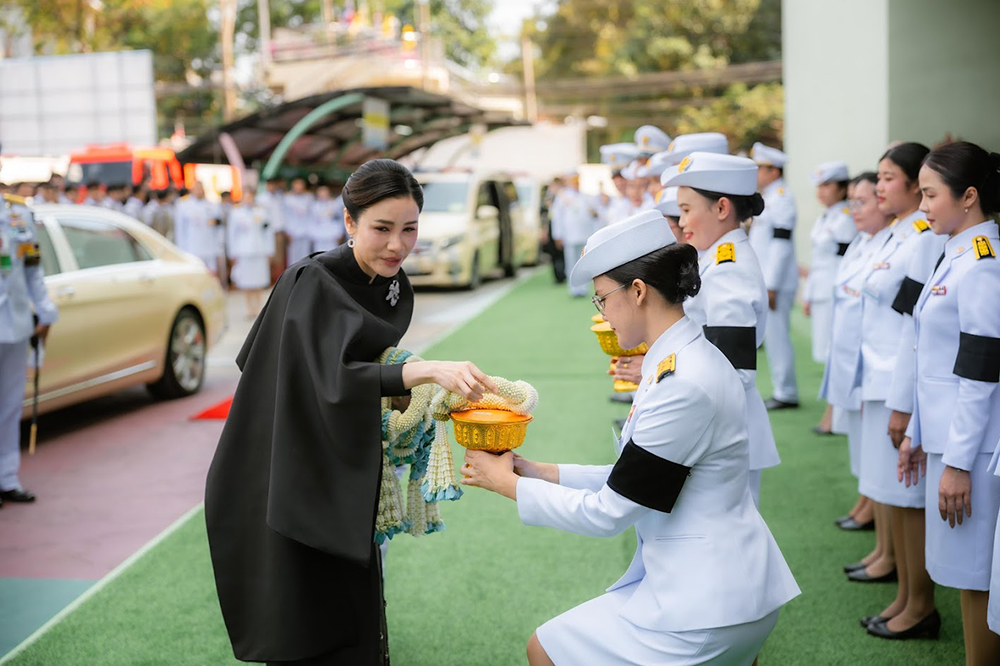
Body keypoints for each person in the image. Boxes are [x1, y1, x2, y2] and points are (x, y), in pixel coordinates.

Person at [461, 209, 800, 666]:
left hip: (707, 606)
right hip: (716, 586)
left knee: (544, 648)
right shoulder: (681, 359)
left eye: (602, 299)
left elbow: (609, 512)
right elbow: (642, 476)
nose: (601, 314)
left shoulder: (682, 382)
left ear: (638, 291)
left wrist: (506, 483)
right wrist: (537, 472)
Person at [205, 159, 497, 666]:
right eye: (381, 229)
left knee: (351, 601)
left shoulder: (388, 282)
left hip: (336, 457)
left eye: (409, 229)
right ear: (348, 221)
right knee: (303, 611)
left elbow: (357, 365)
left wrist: (400, 383)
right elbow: (327, 380)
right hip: (283, 462)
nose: (397, 245)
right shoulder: (312, 280)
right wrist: (421, 372)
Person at [895, 144, 1000, 655]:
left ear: (969, 196)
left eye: (930, 195)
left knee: (975, 573)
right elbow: (932, 361)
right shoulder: (955, 252)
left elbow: (980, 374)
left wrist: (958, 463)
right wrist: (917, 432)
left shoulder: (982, 263)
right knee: (963, 569)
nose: (922, 206)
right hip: (949, 438)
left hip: (973, 448)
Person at [657, 152, 780, 506]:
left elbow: (735, 372)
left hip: (723, 433)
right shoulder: (715, 257)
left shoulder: (728, 269)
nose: (681, 222)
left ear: (722, 208)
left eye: (686, 210)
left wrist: (668, 377)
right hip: (717, 424)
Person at [824, 173, 890, 563]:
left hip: (872, 363)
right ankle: (867, 505)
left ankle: (875, 519)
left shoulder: (890, 242)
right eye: (852, 202)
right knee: (861, 445)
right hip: (851, 356)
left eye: (862, 201)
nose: (854, 210)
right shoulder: (863, 241)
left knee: (873, 452)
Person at [0, 190, 58, 507]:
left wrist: (45, 311)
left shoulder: (18, 213)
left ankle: (7, 478)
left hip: (16, 321)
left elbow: (33, 266)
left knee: (10, 405)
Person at [803, 161, 856, 435]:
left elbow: (846, 264)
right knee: (828, 354)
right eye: (819, 186)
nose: (821, 191)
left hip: (836, 294)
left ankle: (836, 417)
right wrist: (809, 294)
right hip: (822, 293)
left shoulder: (846, 219)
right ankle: (835, 415)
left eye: (827, 185)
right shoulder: (826, 217)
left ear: (842, 188)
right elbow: (818, 261)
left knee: (836, 354)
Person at [748, 142, 800, 409]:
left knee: (778, 338)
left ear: (774, 171)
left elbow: (781, 245)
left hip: (776, 283)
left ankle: (786, 392)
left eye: (761, 168)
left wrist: (772, 285)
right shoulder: (769, 197)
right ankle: (783, 389)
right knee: (772, 337)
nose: (756, 173)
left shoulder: (781, 199)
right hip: (767, 280)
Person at [226, 189, 275, 318]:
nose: (248, 200)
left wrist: (270, 250)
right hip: (243, 251)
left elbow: (268, 232)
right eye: (246, 197)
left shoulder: (262, 212)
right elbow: (232, 234)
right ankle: (249, 308)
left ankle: (259, 307)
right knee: (246, 281)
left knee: (259, 280)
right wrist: (233, 253)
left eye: (250, 197)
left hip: (260, 250)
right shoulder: (236, 213)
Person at [550, 173, 599, 297]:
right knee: (571, 263)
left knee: (583, 263)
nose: (576, 184)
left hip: (585, 235)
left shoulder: (585, 196)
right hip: (569, 235)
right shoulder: (562, 197)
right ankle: (573, 289)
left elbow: (594, 214)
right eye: (573, 181)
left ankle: (583, 288)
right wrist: (557, 235)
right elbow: (557, 217)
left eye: (577, 181)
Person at [174, 182, 223, 273]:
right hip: (192, 248)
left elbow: (219, 226)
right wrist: (181, 249)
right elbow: (180, 230)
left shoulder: (212, 205)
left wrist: (218, 247)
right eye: (196, 189)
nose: (199, 191)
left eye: (201, 188)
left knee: (211, 274)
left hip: (210, 247)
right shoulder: (184, 206)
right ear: (192, 190)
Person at [283, 177, 315, 266]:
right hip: (293, 233)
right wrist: (287, 232)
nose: (299, 187)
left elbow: (312, 216)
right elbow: (285, 216)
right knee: (293, 258)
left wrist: (312, 231)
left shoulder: (309, 198)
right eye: (297, 185)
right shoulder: (287, 198)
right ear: (293, 186)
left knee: (306, 256)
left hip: (306, 232)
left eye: (301, 185)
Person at [310, 184, 346, 253]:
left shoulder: (335, 205)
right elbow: (311, 221)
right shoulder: (314, 206)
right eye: (321, 193)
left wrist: (339, 234)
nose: (323, 195)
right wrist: (312, 235)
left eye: (325, 193)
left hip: (332, 237)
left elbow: (339, 220)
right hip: (318, 238)